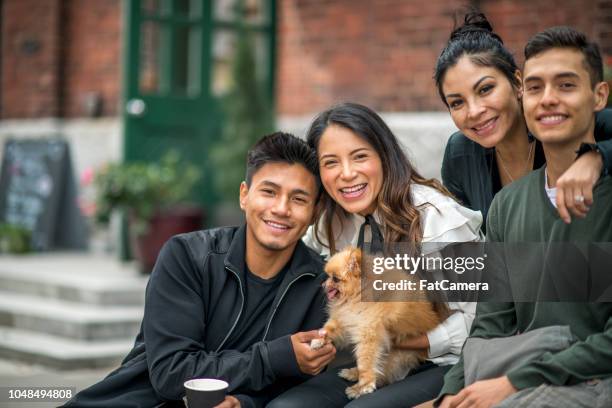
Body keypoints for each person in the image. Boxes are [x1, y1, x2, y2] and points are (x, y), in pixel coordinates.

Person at [62, 133, 336, 408]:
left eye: (298, 199)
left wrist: (243, 403)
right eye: (269, 192)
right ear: (244, 195)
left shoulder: (321, 286)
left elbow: (300, 387)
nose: (281, 209)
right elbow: (172, 373)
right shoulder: (187, 256)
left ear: (314, 212)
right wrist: (274, 357)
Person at [437, 26, 612, 408]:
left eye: (565, 85)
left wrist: (596, 158)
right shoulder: (498, 196)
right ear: (524, 89)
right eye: (537, 88)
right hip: (526, 356)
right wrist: (449, 394)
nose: (548, 100)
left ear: (599, 96)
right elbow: (491, 318)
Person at [267, 102, 483, 408]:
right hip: (372, 357)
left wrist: (398, 340)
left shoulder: (437, 218)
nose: (346, 174)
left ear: (384, 156)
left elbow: (481, 321)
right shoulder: (333, 222)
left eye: (359, 157)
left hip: (444, 361)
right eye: (330, 163)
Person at [436, 11, 612, 230]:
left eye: (485, 89)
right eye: (457, 103)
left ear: (518, 83)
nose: (474, 111)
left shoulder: (555, 123)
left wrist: (595, 158)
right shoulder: (459, 153)